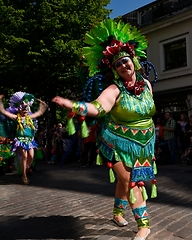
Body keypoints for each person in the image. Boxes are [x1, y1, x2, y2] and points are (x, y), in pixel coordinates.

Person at [52, 19, 156, 240]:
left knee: (123, 181)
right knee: (130, 181)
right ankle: (144, 225)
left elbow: (147, 112)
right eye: (117, 65)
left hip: (144, 142)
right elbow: (98, 108)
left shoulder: (146, 85)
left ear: (134, 60)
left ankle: (118, 214)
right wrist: (72, 104)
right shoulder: (114, 88)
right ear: (114, 70)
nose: (123, 66)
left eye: (125, 61)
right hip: (116, 140)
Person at [0, 92, 48, 184]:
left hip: (30, 140)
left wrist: (43, 106)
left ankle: (26, 168)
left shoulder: (29, 117)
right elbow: (4, 112)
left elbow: (39, 113)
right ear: (19, 110)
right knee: (24, 156)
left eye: (26, 109)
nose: (25, 111)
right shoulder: (16, 118)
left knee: (31, 156)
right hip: (20, 140)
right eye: (24, 109)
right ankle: (24, 175)